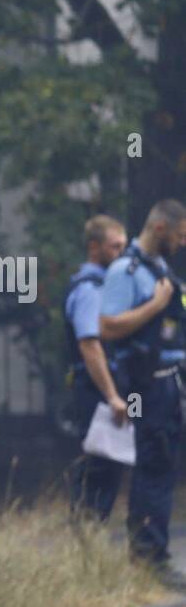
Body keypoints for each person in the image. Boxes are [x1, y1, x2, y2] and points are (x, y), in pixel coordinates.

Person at [99, 199, 186, 576]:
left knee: (163, 464)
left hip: (169, 382)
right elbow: (108, 327)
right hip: (143, 386)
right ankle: (148, 559)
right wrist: (155, 305)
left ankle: (154, 554)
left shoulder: (158, 268)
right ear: (161, 228)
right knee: (152, 462)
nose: (182, 243)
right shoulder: (126, 271)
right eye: (180, 235)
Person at [65, 215, 147, 520]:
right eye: (115, 247)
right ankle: (84, 546)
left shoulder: (108, 285)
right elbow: (90, 345)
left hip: (108, 388)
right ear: (94, 247)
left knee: (110, 471)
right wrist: (112, 395)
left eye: (125, 246)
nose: (122, 253)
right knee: (97, 472)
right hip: (96, 391)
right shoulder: (89, 289)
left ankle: (90, 545)